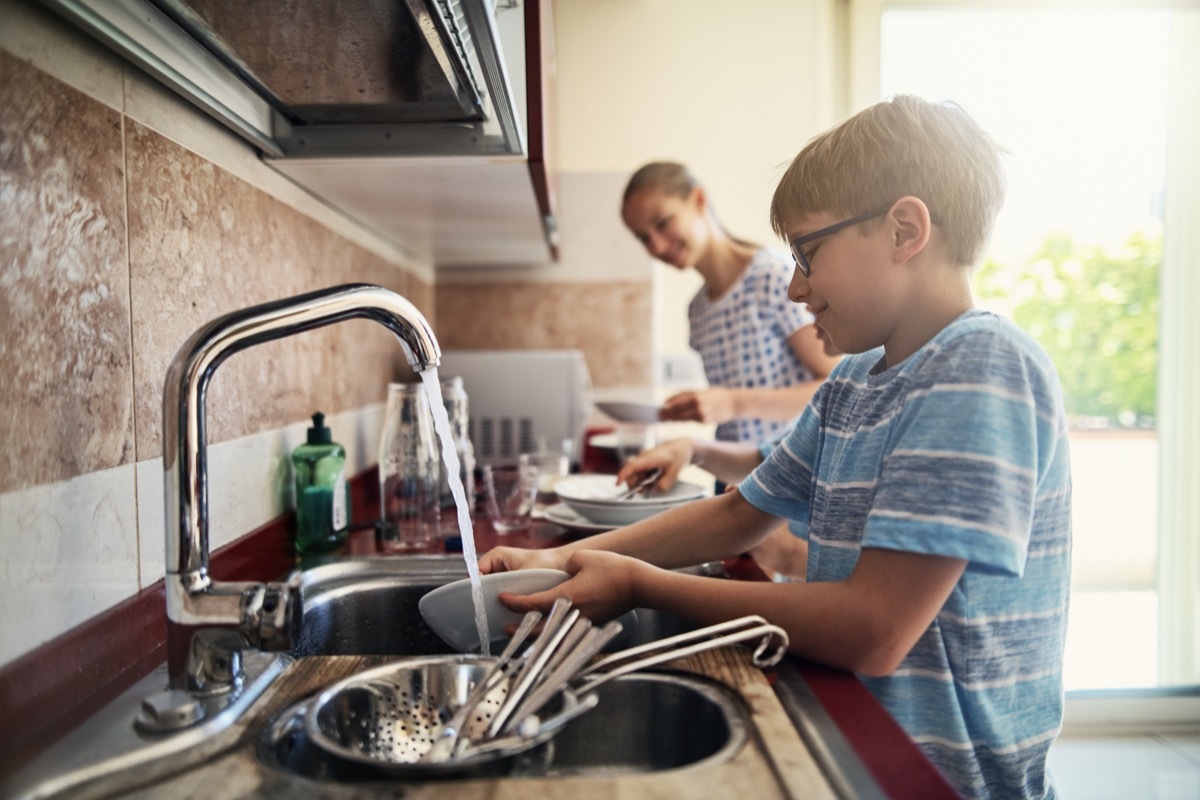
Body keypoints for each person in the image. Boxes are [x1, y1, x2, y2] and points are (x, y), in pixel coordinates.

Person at [482, 95, 1072, 799]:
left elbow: (875, 631)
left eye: (808, 255)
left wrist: (637, 583)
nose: (794, 287)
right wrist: (555, 560)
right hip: (858, 739)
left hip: (944, 776)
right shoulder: (854, 381)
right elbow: (739, 514)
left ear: (904, 229)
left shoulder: (982, 366)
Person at [621, 161, 840, 445]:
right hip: (732, 470)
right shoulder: (697, 310)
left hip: (789, 469)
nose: (657, 247)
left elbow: (833, 383)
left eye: (662, 223)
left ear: (698, 200)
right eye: (644, 238)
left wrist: (733, 403)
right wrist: (704, 407)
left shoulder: (773, 278)